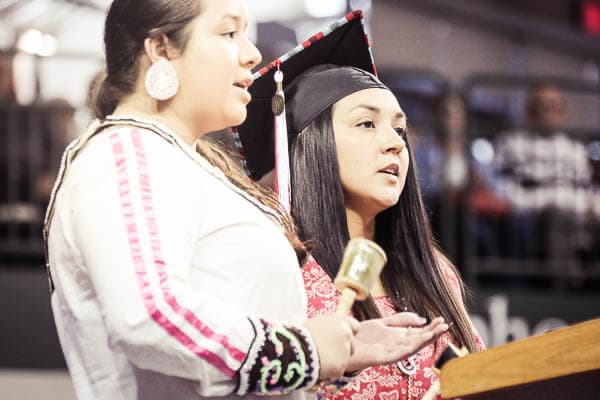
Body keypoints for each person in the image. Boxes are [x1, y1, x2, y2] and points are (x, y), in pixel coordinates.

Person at [43, 1, 448, 399]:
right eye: (229, 32)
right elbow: (149, 315)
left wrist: (342, 352)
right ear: (162, 48)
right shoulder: (126, 154)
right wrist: (303, 351)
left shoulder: (180, 161)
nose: (251, 53)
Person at [236, 12, 484, 399]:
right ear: (313, 146)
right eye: (367, 124)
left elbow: (477, 380)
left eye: (399, 129)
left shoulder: (435, 273)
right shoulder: (284, 269)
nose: (395, 143)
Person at [494, 83, 593, 276]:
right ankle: (561, 289)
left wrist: (584, 210)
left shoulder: (575, 149)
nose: (549, 112)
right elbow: (500, 185)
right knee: (555, 217)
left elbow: (585, 189)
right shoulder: (512, 143)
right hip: (528, 209)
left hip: (573, 211)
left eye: (555, 106)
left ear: (564, 113)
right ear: (530, 111)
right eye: (543, 106)